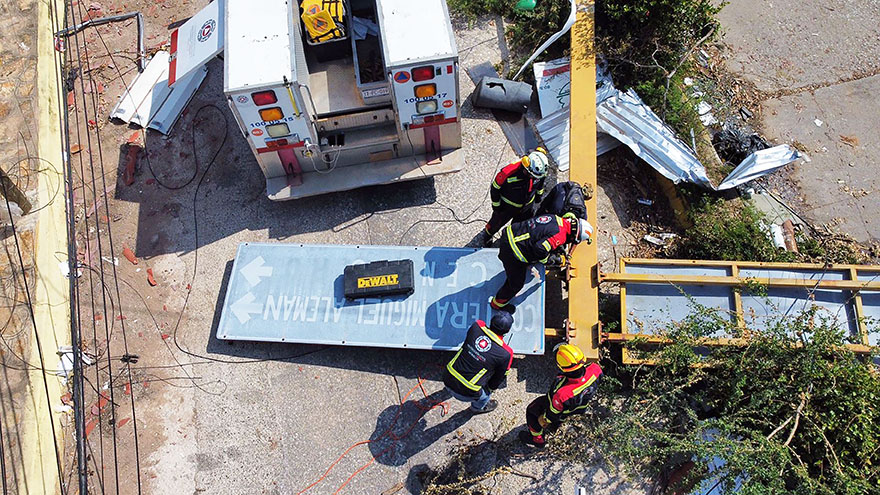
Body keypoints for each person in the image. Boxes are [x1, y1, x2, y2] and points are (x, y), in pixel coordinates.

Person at [489, 214, 592, 313]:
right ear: (574, 235)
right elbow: (540, 249)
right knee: (516, 284)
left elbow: (541, 233)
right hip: (512, 250)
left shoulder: (556, 218)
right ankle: (497, 304)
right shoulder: (559, 236)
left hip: (511, 233)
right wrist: (551, 260)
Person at [519, 344, 603, 448]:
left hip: (559, 410)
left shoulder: (562, 393)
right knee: (558, 421)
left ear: (563, 368)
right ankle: (554, 427)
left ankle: (538, 440)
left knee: (532, 411)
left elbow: (553, 413)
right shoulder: (596, 369)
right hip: (580, 409)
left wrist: (544, 419)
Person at [442, 312, 515, 414]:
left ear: (491, 321)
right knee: (487, 394)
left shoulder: (476, 326)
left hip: (447, 377)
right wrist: (490, 388)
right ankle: (477, 408)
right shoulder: (506, 353)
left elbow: (481, 325)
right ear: (507, 331)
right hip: (466, 393)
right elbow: (498, 378)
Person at [480, 148, 550, 247]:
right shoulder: (508, 172)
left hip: (526, 207)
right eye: (532, 176)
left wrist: (539, 196)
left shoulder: (539, 172)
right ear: (526, 168)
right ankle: (487, 237)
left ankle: (510, 240)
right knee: (495, 224)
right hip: (506, 207)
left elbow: (540, 185)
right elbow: (495, 188)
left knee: (519, 227)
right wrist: (496, 206)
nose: (534, 179)